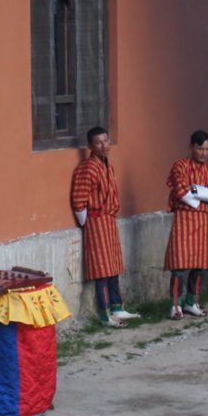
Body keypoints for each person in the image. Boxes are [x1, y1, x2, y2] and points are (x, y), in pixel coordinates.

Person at [70, 127, 139, 326]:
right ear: (90, 146)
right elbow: (78, 200)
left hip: (109, 220)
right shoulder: (88, 167)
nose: (104, 146)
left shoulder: (107, 165)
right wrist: (88, 223)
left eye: (106, 141)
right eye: (98, 143)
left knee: (114, 266)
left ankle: (118, 307)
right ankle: (105, 314)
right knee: (102, 269)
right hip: (96, 221)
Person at [163, 130, 208, 320]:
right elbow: (179, 189)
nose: (204, 153)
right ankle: (174, 305)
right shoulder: (179, 165)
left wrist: (194, 189)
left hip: (202, 220)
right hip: (183, 218)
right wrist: (202, 193)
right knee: (179, 265)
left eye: (207, 149)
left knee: (199, 265)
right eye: (200, 149)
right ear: (191, 147)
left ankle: (191, 302)